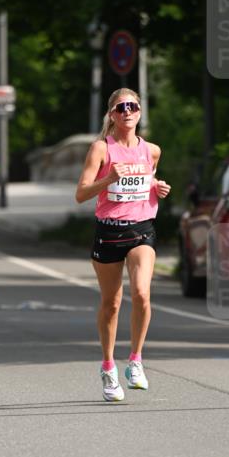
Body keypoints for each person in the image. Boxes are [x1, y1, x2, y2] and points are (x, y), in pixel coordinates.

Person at [76, 88, 171, 402]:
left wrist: (157, 187)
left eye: (132, 106)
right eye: (120, 108)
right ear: (112, 115)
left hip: (142, 230)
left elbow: (146, 182)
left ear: (140, 112)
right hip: (109, 231)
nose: (127, 111)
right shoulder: (101, 148)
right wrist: (108, 179)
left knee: (142, 293)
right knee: (112, 304)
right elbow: (81, 194)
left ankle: (135, 361)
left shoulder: (152, 150)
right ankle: (108, 367)